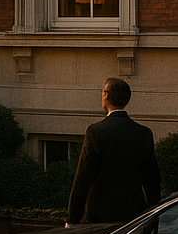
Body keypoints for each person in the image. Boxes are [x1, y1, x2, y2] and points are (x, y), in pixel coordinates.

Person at [67, 78, 161, 226]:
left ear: (106, 95)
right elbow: (152, 180)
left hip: (99, 215)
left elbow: (83, 177)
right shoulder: (143, 133)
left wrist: (72, 219)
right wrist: (152, 217)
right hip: (132, 214)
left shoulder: (96, 131)